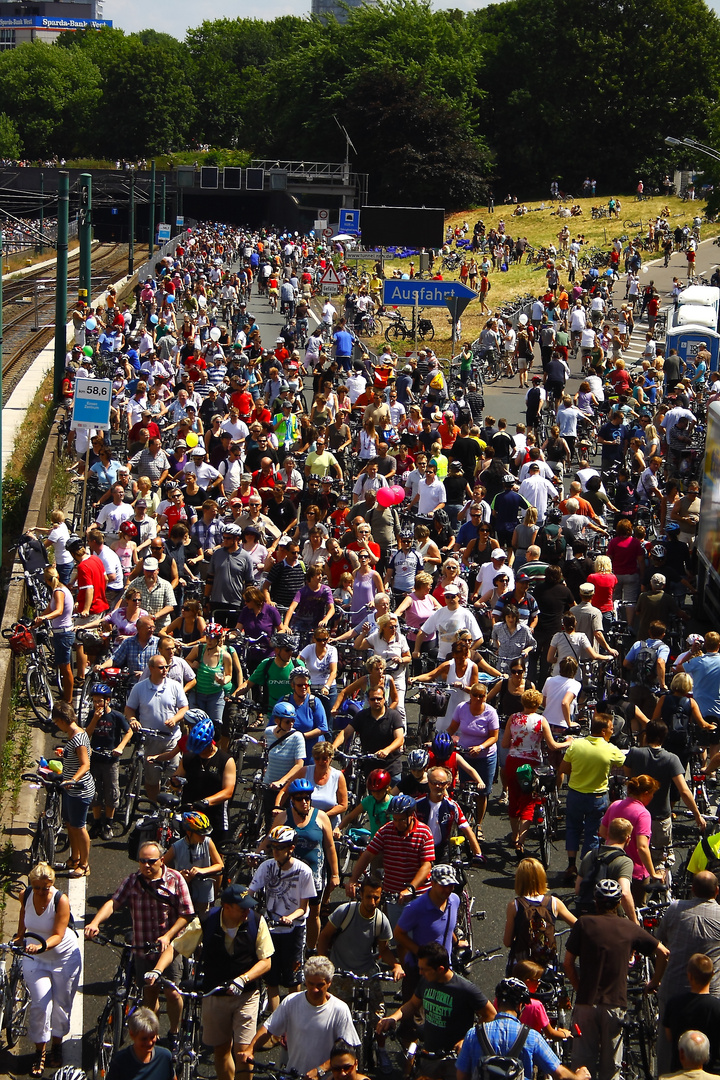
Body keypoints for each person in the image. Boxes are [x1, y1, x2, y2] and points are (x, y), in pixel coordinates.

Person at [85, 841, 194, 1041]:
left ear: (161, 861)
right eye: (142, 861)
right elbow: (113, 902)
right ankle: (152, 1034)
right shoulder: (133, 881)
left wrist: (168, 936)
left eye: (151, 861)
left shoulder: (176, 880)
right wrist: (95, 922)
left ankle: (174, 1032)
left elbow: (186, 914)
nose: (146, 865)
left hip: (169, 949)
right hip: (142, 947)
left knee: (172, 992)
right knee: (149, 993)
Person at [563, 879, 668, 1080]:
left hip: (587, 1002)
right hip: (615, 1004)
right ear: (619, 902)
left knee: (581, 1067)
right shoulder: (628, 927)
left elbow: (568, 963)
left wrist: (579, 987)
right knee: (611, 1068)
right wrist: (654, 981)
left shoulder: (584, 924)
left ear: (596, 901)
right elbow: (663, 952)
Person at [377, 943, 496, 1077]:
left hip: (455, 1059)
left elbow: (491, 1015)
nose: (420, 972)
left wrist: (467, 1040)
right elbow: (412, 1004)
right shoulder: (426, 981)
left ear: (440, 969)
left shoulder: (466, 989)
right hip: (429, 1054)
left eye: (424, 969)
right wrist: (394, 1017)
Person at [196, 883, 274, 1080]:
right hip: (215, 995)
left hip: (246, 995)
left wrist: (243, 979)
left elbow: (266, 961)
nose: (247, 912)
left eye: (249, 907)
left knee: (244, 1053)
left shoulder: (256, 922)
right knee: (221, 1050)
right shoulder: (206, 921)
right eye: (242, 908)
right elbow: (178, 946)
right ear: (226, 907)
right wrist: (158, 969)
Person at [238, 956, 359, 1076]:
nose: (315, 989)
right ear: (305, 981)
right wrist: (250, 1050)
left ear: (329, 983)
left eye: (320, 985)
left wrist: (320, 1070)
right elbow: (268, 1028)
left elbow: (347, 1052)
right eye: (311, 984)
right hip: (294, 1074)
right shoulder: (291, 1001)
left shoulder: (339, 1009)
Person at [14, 862, 83, 1075]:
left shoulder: (60, 900)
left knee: (62, 1003)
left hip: (63, 958)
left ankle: (57, 1044)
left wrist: (41, 945)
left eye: (47, 886)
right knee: (40, 1004)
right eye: (38, 887)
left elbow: (58, 934)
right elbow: (24, 917)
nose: (43, 891)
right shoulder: (25, 895)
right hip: (35, 958)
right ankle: (39, 1051)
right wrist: (19, 936)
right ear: (31, 885)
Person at [649, 872, 720, 1075]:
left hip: (674, 989)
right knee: (712, 1044)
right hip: (711, 993)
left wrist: (655, 980)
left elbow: (661, 947)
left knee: (667, 1044)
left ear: (692, 890)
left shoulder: (675, 909)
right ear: (717, 891)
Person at [456, 976, 591, 1080]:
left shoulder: (473, 1034)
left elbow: (461, 1076)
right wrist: (578, 1076)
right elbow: (560, 1075)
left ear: (497, 1002)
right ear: (520, 1006)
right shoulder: (531, 1037)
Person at [248, 825, 316, 1012]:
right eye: (273, 847)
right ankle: (274, 1023)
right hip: (270, 927)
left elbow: (303, 908)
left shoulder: (304, 872)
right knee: (271, 979)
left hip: (293, 930)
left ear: (291, 849)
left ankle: (294, 1017)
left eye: (280, 847)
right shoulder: (266, 867)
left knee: (293, 979)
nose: (275, 852)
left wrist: (289, 917)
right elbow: (251, 892)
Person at [267, 776, 340, 949]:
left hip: (314, 876)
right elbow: (270, 839)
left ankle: (310, 948)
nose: (304, 802)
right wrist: (257, 853)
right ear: (292, 800)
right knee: (288, 909)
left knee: (313, 913)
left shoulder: (321, 817)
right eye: (299, 799)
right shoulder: (284, 818)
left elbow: (330, 847)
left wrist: (335, 874)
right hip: (288, 875)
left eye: (307, 798)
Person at [558, 712, 627, 886]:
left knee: (572, 828)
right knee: (593, 833)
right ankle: (586, 869)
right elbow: (624, 763)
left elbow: (564, 768)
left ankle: (571, 865)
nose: (613, 731)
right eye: (611, 728)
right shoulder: (610, 749)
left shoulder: (576, 745)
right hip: (597, 797)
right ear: (604, 731)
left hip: (575, 794)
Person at [345, 794, 434, 926]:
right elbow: (368, 855)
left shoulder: (424, 832)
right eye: (394, 819)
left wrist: (411, 888)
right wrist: (353, 880)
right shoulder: (386, 831)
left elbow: (426, 865)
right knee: (393, 937)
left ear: (411, 815)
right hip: (394, 896)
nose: (396, 823)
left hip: (418, 896)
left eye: (401, 820)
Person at [502, 688, 573, 855]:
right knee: (528, 802)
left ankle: (514, 835)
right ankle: (521, 841)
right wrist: (568, 742)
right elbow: (552, 746)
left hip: (513, 761)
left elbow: (505, 743)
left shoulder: (513, 718)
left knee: (514, 799)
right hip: (532, 763)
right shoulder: (541, 721)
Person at [124, 653, 188, 804]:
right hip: (150, 740)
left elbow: (184, 708)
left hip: (171, 740)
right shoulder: (139, 688)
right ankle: (155, 806)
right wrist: (132, 719)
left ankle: (170, 807)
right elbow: (129, 709)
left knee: (174, 777)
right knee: (152, 779)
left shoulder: (175, 686)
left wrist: (174, 719)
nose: (165, 670)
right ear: (151, 668)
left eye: (166, 667)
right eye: (161, 667)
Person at [503, 857, 576, 972]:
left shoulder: (514, 905)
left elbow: (507, 941)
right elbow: (578, 926)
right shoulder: (554, 902)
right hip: (547, 964)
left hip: (522, 964)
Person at [447, 683, 499, 834]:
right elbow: (452, 728)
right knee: (464, 789)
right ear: (470, 695)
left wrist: (481, 747)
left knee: (482, 792)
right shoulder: (462, 708)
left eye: (481, 695)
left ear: (485, 696)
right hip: (465, 755)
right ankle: (464, 822)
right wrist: (441, 738)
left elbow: (494, 737)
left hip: (485, 757)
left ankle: (479, 824)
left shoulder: (490, 712)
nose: (477, 698)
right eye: (475, 695)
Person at [52, 701, 95, 878]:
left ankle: (85, 865)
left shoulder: (78, 738)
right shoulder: (75, 734)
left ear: (62, 720)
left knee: (79, 827)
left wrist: (72, 780)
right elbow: (77, 757)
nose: (56, 725)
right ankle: (74, 858)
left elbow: (85, 764)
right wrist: (65, 752)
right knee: (70, 825)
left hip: (79, 789)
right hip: (71, 789)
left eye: (56, 722)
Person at [86, 683, 134, 840]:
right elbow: (87, 733)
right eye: (94, 701)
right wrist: (94, 719)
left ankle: (108, 822)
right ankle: (97, 822)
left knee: (111, 791)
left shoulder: (116, 716)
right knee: (95, 791)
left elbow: (129, 732)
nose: (97, 704)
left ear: (108, 700)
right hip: (95, 758)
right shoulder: (92, 714)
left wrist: (120, 747)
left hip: (111, 760)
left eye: (100, 701)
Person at [332, 686, 405, 785]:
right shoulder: (362, 716)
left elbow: (399, 739)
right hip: (370, 766)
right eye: (373, 699)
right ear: (368, 700)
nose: (376, 701)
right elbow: (346, 732)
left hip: (391, 767)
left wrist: (387, 750)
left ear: (384, 699)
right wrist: (333, 747)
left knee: (393, 798)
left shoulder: (393, 716)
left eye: (379, 698)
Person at [574, 817, 637, 922]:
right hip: (613, 919)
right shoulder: (624, 862)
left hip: (587, 916)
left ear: (608, 833)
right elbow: (625, 894)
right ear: (628, 839)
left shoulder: (590, 855)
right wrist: (634, 921)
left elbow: (578, 889)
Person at [163, 811, 224, 915]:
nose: (203, 837)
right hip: (183, 890)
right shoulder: (177, 847)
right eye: (200, 834)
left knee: (203, 918)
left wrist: (202, 870)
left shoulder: (208, 842)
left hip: (203, 890)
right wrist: (178, 874)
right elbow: (161, 865)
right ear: (189, 832)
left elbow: (220, 865)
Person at [106, 1007, 174, 1080]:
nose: (149, 1043)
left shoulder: (164, 1057)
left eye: (152, 1037)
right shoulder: (120, 1061)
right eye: (144, 1039)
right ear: (132, 1035)